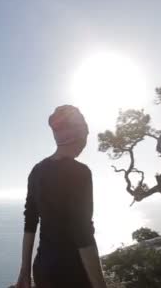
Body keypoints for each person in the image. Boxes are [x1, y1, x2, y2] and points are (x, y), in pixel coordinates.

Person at [15, 105, 107, 288]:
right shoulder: (80, 173)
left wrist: (24, 271)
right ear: (77, 135)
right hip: (72, 272)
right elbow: (83, 234)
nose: (85, 142)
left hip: (43, 268)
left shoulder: (37, 171)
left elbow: (30, 222)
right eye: (85, 135)